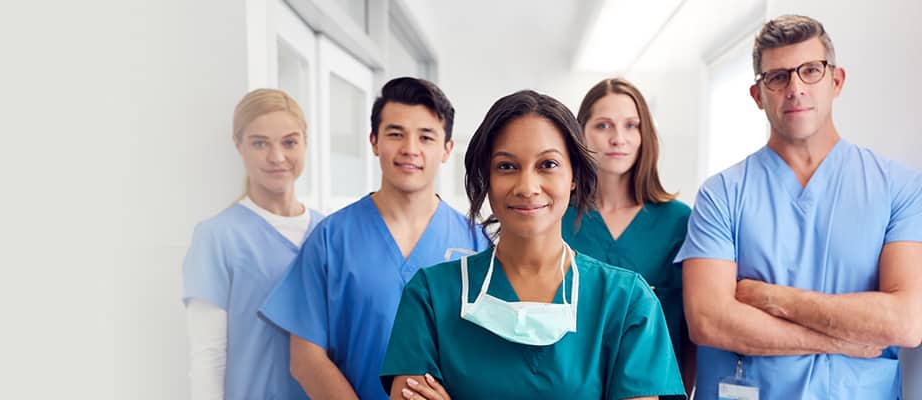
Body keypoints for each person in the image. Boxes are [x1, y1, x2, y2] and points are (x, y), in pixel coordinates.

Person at [676, 14, 922, 400]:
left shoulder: (898, 187)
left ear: (836, 81)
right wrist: (842, 341)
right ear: (757, 95)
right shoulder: (721, 194)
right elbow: (710, 321)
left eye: (810, 71)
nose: (795, 89)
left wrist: (771, 298)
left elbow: (904, 322)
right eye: (777, 77)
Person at [380, 90, 684, 400]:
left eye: (548, 164)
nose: (527, 187)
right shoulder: (430, 295)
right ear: (486, 177)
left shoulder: (627, 300)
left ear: (574, 176)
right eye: (506, 166)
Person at [261, 77, 488, 400]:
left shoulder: (478, 244)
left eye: (426, 137)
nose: (410, 149)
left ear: (446, 149)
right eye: (396, 134)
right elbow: (306, 359)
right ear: (374, 141)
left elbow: (487, 357)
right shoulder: (331, 239)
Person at [183, 88, 320, 400]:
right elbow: (207, 359)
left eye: (289, 142)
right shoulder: (217, 237)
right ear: (238, 145)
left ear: (305, 143)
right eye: (260, 143)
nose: (277, 157)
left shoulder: (328, 232)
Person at [563, 78, 695, 397]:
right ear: (581, 133)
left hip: (656, 389)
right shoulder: (557, 218)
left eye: (631, 126)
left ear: (644, 135)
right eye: (603, 125)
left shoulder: (679, 222)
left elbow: (691, 331)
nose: (618, 139)